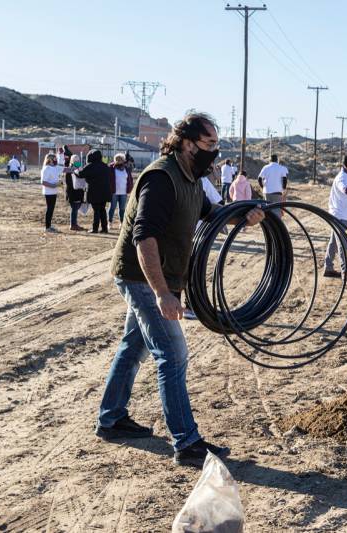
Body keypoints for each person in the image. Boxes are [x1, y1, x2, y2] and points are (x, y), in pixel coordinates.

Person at [99, 111, 265, 467]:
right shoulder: (161, 177)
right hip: (141, 277)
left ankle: (111, 418)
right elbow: (144, 237)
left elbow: (213, 213)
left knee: (133, 346)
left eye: (216, 145)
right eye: (209, 144)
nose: (214, 152)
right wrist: (162, 293)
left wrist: (247, 214)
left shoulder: (192, 177)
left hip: (155, 277)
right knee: (172, 354)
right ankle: (187, 443)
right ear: (187, 143)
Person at [323, 153, 347, 279]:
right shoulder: (342, 177)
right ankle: (346, 270)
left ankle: (328, 268)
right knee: (342, 242)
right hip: (338, 215)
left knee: (334, 242)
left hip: (342, 214)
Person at [78, 150, 112, 234]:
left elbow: (80, 174)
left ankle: (95, 228)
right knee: (102, 210)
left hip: (94, 192)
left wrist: (76, 167)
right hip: (105, 192)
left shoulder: (90, 166)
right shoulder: (105, 166)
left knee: (96, 210)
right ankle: (104, 228)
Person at [109, 153, 133, 226]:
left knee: (122, 209)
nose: (119, 161)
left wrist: (130, 187)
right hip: (114, 192)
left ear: (123, 160)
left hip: (123, 192)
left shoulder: (126, 169)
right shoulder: (111, 168)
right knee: (112, 208)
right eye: (117, 159)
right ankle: (109, 222)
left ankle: (122, 223)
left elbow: (130, 179)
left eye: (120, 159)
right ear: (115, 160)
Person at [41, 152, 62, 233]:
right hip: (48, 192)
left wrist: (74, 168)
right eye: (54, 158)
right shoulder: (46, 168)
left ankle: (49, 225)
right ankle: (47, 227)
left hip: (54, 192)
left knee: (51, 209)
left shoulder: (55, 167)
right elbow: (43, 182)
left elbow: (65, 169)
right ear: (50, 159)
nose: (56, 159)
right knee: (50, 209)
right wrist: (54, 185)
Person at [65, 154, 86, 231]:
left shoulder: (79, 169)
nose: (77, 162)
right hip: (72, 192)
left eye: (78, 160)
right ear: (72, 161)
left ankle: (74, 224)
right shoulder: (69, 170)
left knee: (76, 208)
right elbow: (69, 182)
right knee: (74, 208)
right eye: (75, 161)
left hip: (79, 192)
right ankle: (73, 225)